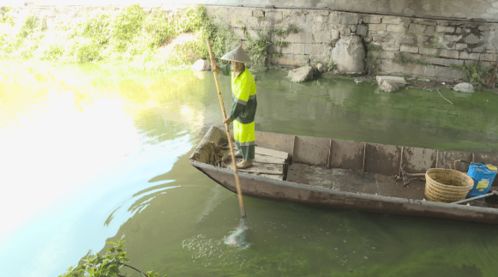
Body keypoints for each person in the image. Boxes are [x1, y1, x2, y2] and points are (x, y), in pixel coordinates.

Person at [220, 45, 257, 169]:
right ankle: (241, 151)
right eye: (232, 62)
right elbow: (225, 70)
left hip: (246, 108)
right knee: (238, 131)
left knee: (246, 134)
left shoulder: (246, 78)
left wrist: (230, 116)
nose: (232, 64)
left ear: (241, 64)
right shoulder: (233, 70)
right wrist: (217, 68)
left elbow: (241, 102)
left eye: (235, 62)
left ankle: (248, 159)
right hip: (237, 107)